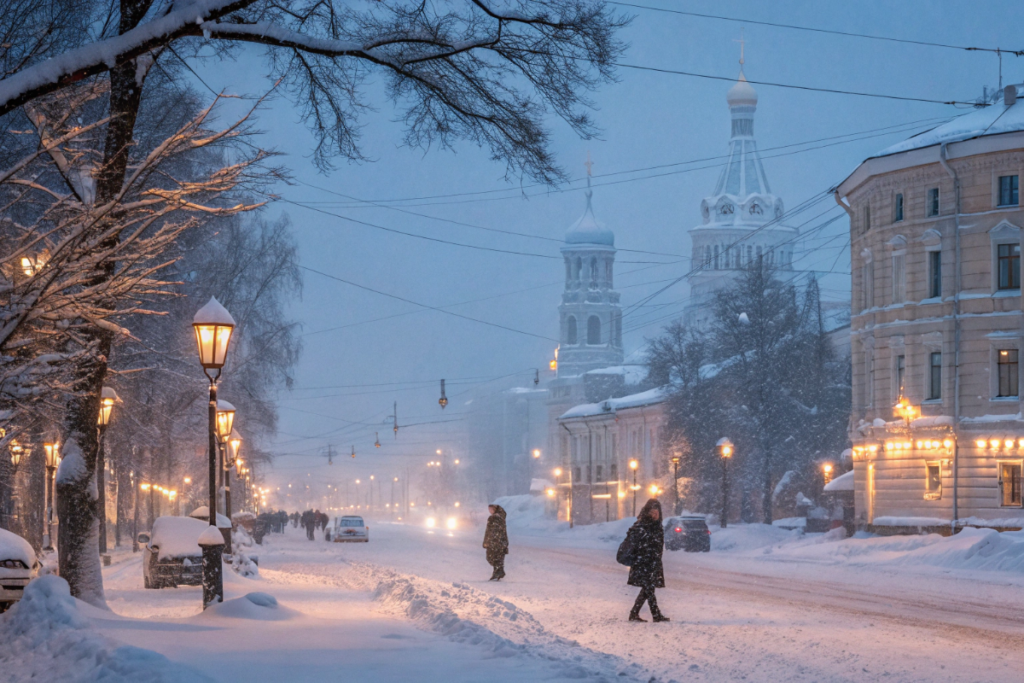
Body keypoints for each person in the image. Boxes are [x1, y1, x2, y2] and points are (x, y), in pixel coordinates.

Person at [626, 498, 670, 622]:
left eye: (657, 512)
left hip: (654, 561)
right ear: (647, 512)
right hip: (643, 561)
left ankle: (635, 613)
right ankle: (655, 614)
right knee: (649, 588)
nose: (655, 515)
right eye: (652, 512)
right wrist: (645, 551)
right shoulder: (642, 525)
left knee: (648, 588)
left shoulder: (657, 526)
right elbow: (636, 541)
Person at [482, 504, 508, 581]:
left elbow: (489, 531)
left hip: (495, 541)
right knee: (498, 557)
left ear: (494, 509)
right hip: (502, 541)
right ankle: (498, 571)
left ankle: (498, 572)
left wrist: (487, 541)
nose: (489, 511)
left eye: (491, 509)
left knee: (492, 557)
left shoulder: (493, 518)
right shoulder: (501, 517)